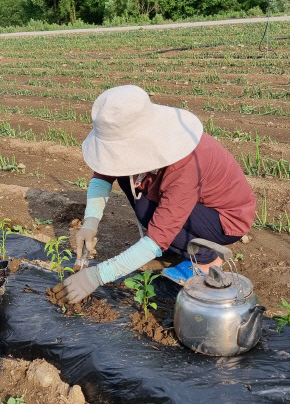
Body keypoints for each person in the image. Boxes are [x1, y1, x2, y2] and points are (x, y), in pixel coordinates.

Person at [53, 85, 255, 305]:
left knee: (157, 223)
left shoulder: (184, 163)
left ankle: (206, 260)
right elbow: (103, 175)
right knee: (125, 177)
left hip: (221, 219)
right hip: (190, 205)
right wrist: (90, 222)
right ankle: (176, 247)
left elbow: (160, 234)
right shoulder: (141, 138)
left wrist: (96, 276)